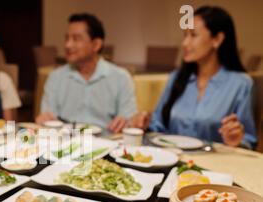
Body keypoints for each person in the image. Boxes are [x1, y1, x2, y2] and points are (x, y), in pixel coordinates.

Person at [131, 6, 257, 148]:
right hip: (172, 162)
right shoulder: (176, 78)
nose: (184, 43)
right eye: (185, 35)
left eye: (193, 35)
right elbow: (158, 126)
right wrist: (144, 124)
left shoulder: (240, 84)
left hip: (215, 166)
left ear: (217, 39)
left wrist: (237, 140)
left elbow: (249, 140)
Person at [35, 13, 137, 133]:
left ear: (96, 44)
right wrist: (45, 120)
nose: (68, 45)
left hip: (108, 142)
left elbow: (129, 121)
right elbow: (47, 118)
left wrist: (127, 122)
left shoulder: (121, 77)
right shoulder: (56, 77)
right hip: (67, 143)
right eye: (66, 38)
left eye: (76, 39)